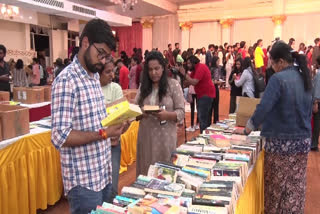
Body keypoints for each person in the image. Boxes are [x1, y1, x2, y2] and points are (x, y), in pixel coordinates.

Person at [51, 19, 129, 214]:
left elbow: (97, 122)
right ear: (85, 42)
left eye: (106, 56)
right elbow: (59, 136)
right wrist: (103, 133)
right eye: (100, 54)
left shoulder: (94, 76)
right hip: (83, 182)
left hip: (103, 171)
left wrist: (116, 127)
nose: (103, 61)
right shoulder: (66, 81)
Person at [240, 41, 312, 214]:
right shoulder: (304, 76)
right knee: (294, 189)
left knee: (275, 191)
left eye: (272, 62)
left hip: (280, 144)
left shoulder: (278, 79)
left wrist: (247, 129)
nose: (271, 67)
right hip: (302, 142)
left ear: (280, 61)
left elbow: (263, 107)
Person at [135, 51, 185, 176]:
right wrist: (141, 112)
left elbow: (181, 112)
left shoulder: (173, 85)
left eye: (157, 68)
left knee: (164, 174)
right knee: (146, 173)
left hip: (165, 138)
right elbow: (135, 110)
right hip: (146, 136)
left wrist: (167, 115)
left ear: (163, 68)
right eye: (150, 69)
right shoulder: (143, 87)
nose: (153, 73)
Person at [99, 59, 124, 200]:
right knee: (98, 189)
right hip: (96, 144)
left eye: (112, 72)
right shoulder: (92, 89)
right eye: (107, 72)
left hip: (113, 144)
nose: (111, 75)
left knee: (112, 187)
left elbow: (119, 116)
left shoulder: (115, 88)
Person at [181, 55, 216, 133]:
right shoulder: (195, 70)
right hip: (203, 94)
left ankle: (203, 135)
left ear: (194, 63)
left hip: (206, 95)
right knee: (203, 117)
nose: (188, 65)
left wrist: (184, 74)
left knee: (202, 118)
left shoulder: (200, 68)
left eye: (189, 63)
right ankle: (205, 134)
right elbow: (188, 81)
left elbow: (194, 82)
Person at [210, 56, 223, 124]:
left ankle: (211, 121)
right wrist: (219, 82)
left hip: (211, 88)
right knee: (216, 105)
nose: (218, 63)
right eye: (218, 61)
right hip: (215, 88)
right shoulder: (216, 69)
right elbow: (214, 81)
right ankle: (216, 120)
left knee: (211, 105)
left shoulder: (211, 69)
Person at [311, 55, 320, 151]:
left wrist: (315, 102)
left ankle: (314, 144)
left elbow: (317, 88)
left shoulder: (319, 74)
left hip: (318, 101)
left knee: (317, 123)